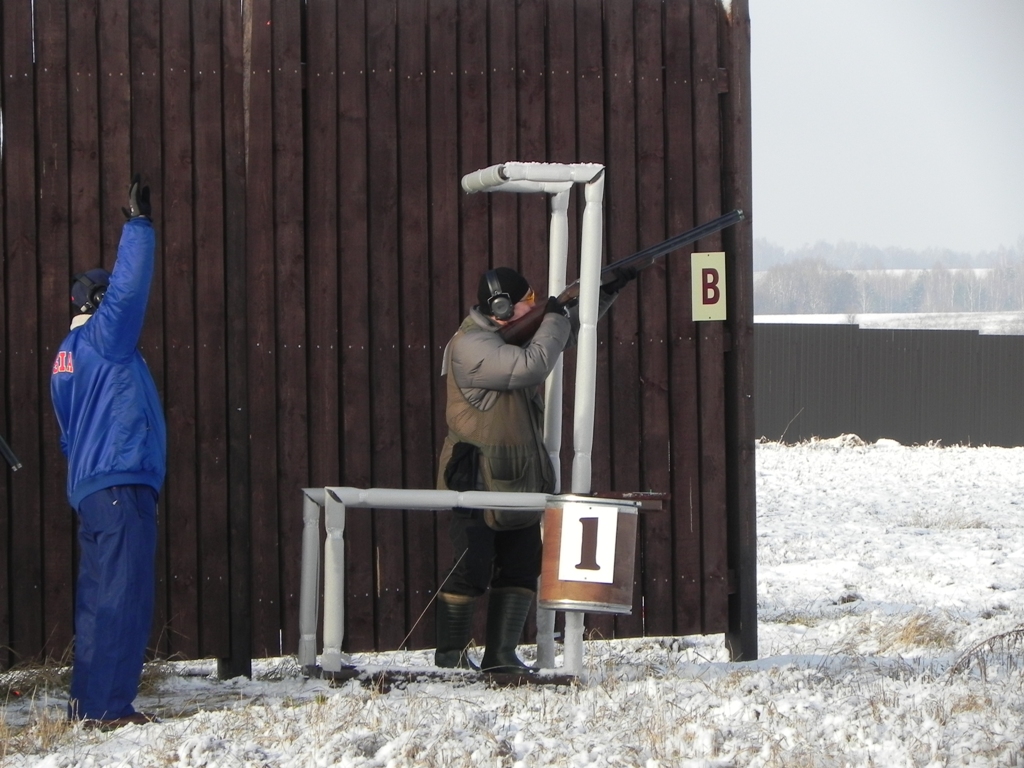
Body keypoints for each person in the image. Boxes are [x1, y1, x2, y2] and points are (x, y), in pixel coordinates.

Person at [434, 265, 634, 673]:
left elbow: (563, 336)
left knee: (521, 568)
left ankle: (501, 657)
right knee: (471, 569)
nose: (535, 304)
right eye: (528, 300)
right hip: (477, 477)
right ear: (501, 308)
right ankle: (450, 659)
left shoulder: (504, 336)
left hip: (519, 477)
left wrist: (604, 292)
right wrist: (555, 313)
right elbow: (534, 363)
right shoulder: (470, 346)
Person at [50, 175, 166, 729]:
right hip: (121, 484)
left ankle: (89, 704)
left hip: (93, 491)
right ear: (97, 303)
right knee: (125, 596)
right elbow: (129, 288)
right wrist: (138, 225)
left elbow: (69, 437)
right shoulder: (105, 338)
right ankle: (109, 709)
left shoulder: (66, 359)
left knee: (98, 601)